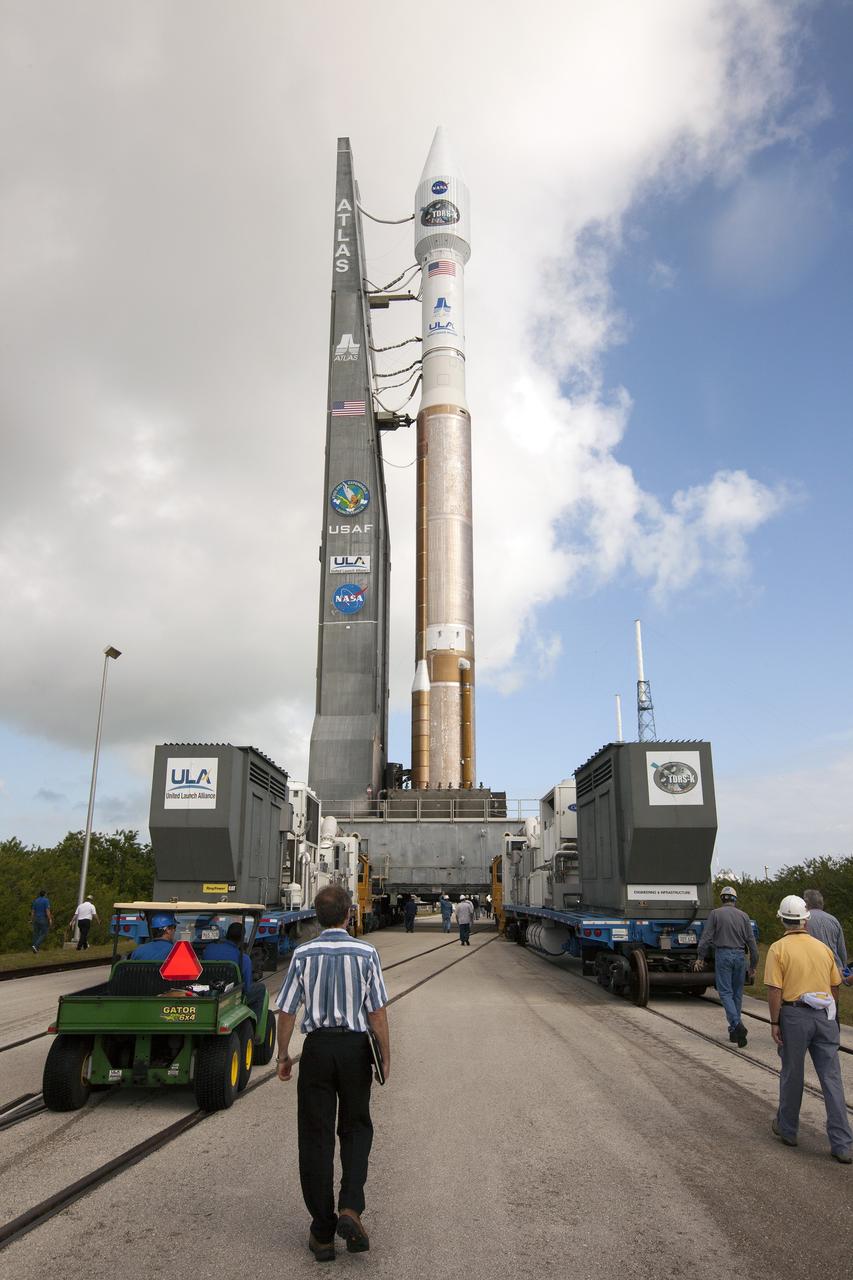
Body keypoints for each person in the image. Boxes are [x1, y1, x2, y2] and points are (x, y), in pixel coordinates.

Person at [275, 884, 390, 1261]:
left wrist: (282, 1056)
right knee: (356, 1127)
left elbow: (288, 1009)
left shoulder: (303, 954)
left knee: (315, 1135)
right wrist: (385, 1057)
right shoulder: (366, 952)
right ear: (348, 914)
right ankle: (351, 1208)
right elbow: (376, 1012)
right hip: (356, 1049)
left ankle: (322, 1232)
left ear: (317, 916)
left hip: (318, 1050)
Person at [764, 894, 852, 1164]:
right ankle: (842, 1144)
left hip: (793, 1015)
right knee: (831, 1079)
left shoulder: (778, 949)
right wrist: (829, 1013)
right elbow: (835, 986)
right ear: (806, 920)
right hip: (824, 1016)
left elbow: (775, 990)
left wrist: (775, 1022)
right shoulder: (823, 949)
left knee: (792, 1074)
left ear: (782, 920)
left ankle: (788, 1130)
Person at [693, 886, 758, 1047]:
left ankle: (737, 1024)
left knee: (725, 992)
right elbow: (752, 943)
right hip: (740, 956)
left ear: (722, 899)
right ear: (735, 899)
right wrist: (753, 964)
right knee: (737, 993)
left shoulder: (715, 914)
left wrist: (700, 957)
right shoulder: (744, 916)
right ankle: (734, 1032)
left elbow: (706, 938)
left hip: (723, 955)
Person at [203, 921, 267, 1025]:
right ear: (242, 939)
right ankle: (255, 1027)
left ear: (227, 935)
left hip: (208, 991)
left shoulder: (208, 949)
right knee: (261, 988)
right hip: (230, 996)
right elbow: (247, 989)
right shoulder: (243, 958)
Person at [804, 889, 850, 981]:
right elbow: (841, 949)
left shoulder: (804, 920)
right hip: (833, 970)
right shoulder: (834, 920)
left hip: (811, 969)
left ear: (806, 903)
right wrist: (843, 968)